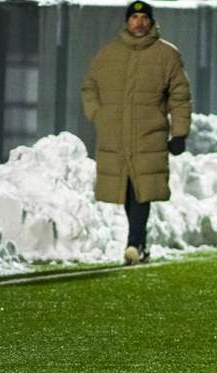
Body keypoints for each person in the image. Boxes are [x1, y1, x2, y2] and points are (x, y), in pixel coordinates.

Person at [81, 1, 192, 265]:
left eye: (144, 18)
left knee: (143, 189)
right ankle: (139, 242)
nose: (139, 22)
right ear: (127, 22)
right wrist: (98, 114)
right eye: (134, 17)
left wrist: (179, 134)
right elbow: (89, 87)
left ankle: (134, 243)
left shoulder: (167, 55)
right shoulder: (108, 53)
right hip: (115, 135)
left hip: (149, 135)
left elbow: (180, 97)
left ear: (151, 22)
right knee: (126, 188)